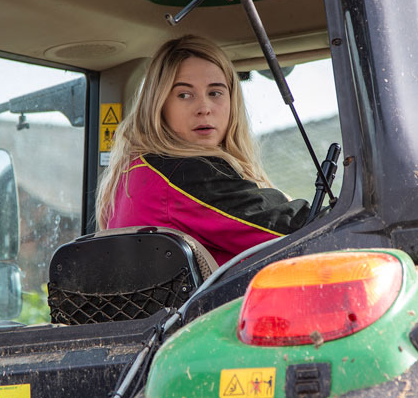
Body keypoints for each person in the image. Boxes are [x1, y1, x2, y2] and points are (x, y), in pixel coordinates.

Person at [95, 35, 309, 265]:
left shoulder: (135, 171)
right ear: (159, 105)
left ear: (231, 100)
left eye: (215, 92)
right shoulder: (182, 172)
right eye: (184, 95)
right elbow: (297, 231)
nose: (204, 108)